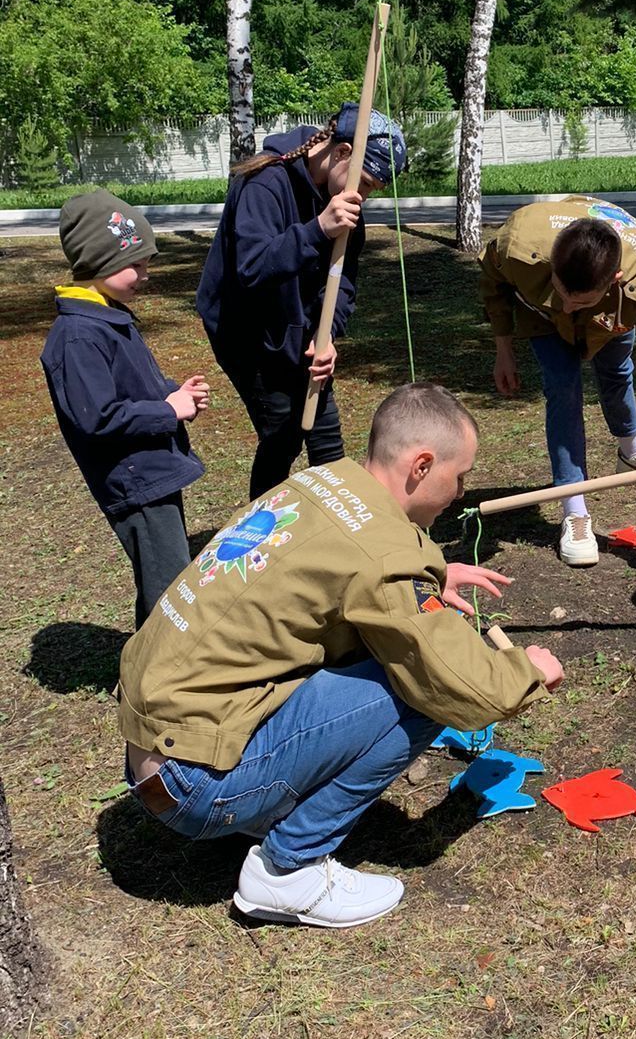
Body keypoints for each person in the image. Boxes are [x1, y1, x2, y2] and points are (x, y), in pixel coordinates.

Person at [117, 382, 564, 929]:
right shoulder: (383, 555)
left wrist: (432, 575)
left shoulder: (318, 482)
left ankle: (268, 800)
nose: (459, 491)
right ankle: (286, 872)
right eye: (459, 475)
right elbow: (461, 685)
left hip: (154, 749)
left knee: (385, 654)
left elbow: (333, 568)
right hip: (195, 785)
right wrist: (529, 671)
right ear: (422, 465)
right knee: (422, 690)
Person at [195, 104, 407, 500]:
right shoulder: (266, 183)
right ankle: (260, 535)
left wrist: (328, 333)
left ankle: (337, 529)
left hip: (301, 325)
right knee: (283, 436)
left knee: (326, 437)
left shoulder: (346, 206)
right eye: (364, 183)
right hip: (247, 331)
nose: (364, 196)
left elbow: (342, 280)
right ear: (342, 153)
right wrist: (319, 229)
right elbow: (252, 268)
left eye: (373, 190)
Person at [479, 196, 636, 565]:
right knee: (562, 389)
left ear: (614, 280)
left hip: (613, 317)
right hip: (540, 315)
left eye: (578, 302)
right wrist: (504, 347)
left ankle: (630, 451)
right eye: (562, 292)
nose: (568, 306)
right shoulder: (518, 245)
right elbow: (492, 283)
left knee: (616, 370)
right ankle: (574, 510)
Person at [40, 191, 210, 628]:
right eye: (136, 264)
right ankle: (160, 686)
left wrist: (176, 394)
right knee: (171, 593)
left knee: (164, 581)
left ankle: (145, 672)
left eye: (147, 263)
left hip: (152, 471)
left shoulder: (108, 316)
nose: (146, 275)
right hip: (134, 483)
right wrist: (168, 411)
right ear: (97, 260)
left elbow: (133, 389)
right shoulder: (78, 336)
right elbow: (97, 418)